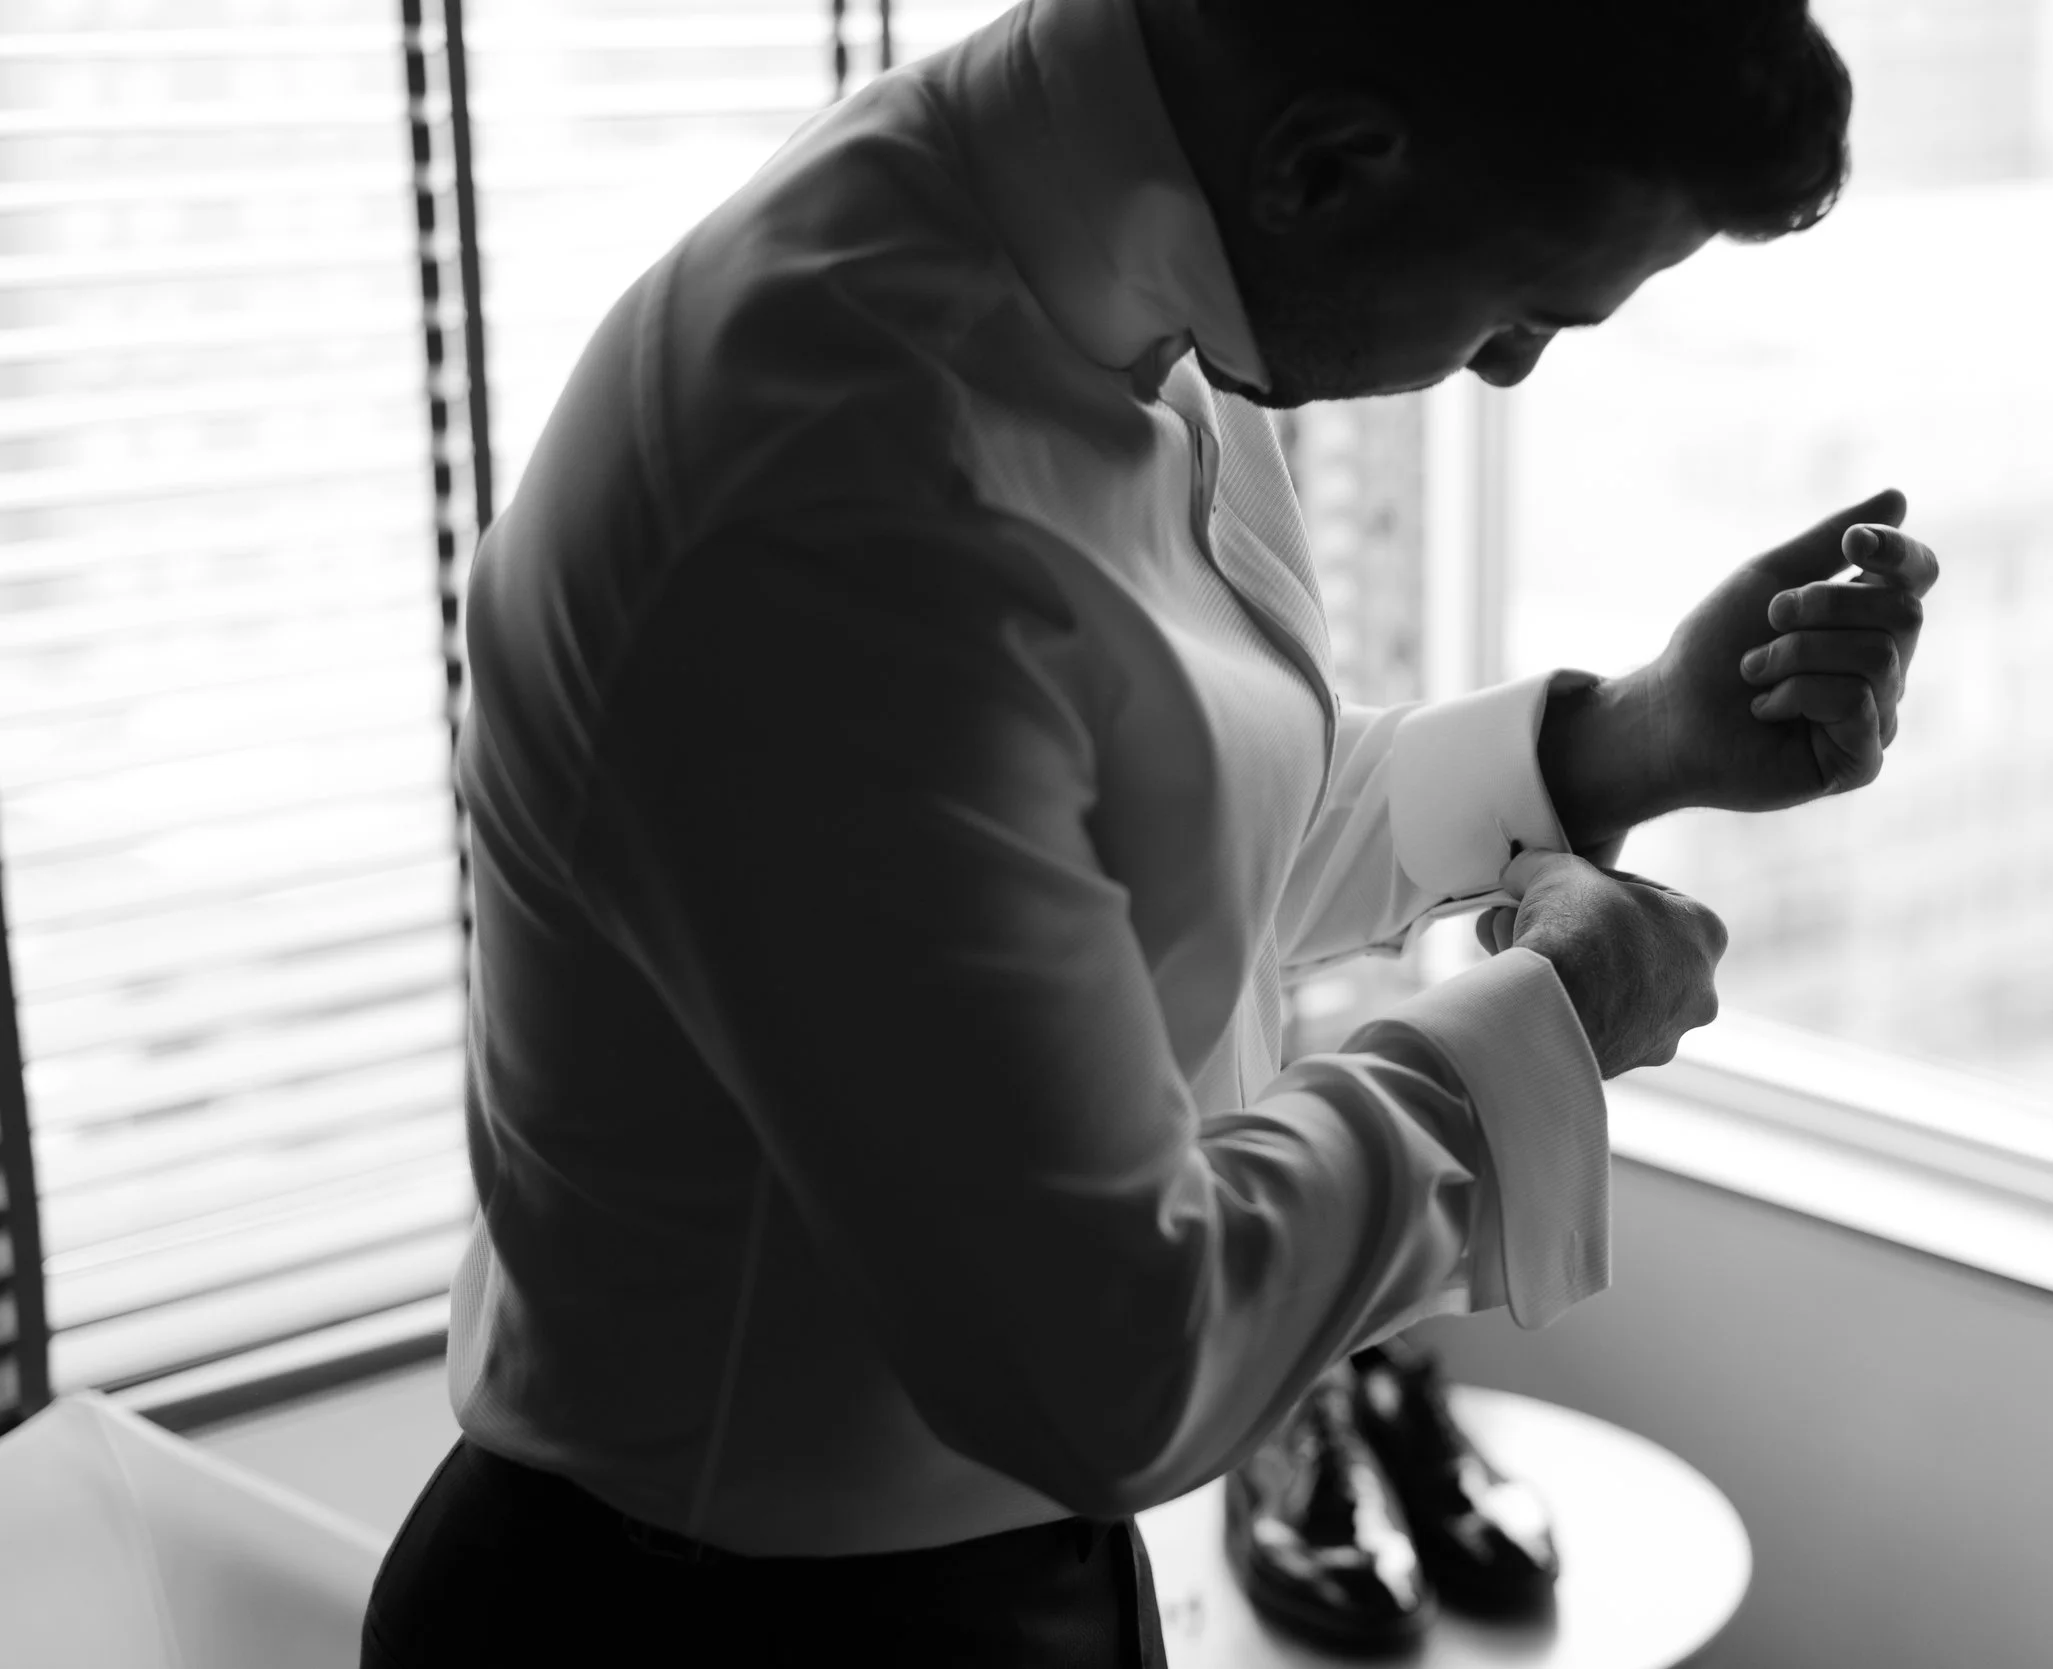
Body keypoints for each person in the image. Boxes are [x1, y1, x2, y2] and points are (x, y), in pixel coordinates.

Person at [359, 0, 1939, 1663]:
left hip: (978, 1572)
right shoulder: (830, 501)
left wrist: (1632, 740)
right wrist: (1545, 1033)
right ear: (1330, 163)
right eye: (1525, 309)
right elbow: (1109, 1357)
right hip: (709, 1628)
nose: (1507, 365)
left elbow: (1154, 852)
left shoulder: (1127, 270)